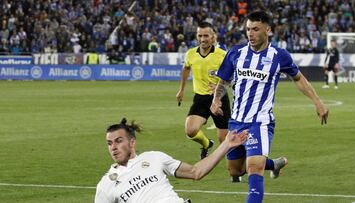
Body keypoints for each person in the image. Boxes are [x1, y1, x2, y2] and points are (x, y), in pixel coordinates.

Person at [210, 11, 328, 203]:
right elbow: (223, 80)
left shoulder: (279, 56)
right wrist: (216, 100)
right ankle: (274, 164)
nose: (250, 33)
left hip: (261, 122)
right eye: (248, 29)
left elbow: (299, 79)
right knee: (235, 169)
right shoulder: (236, 53)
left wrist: (318, 101)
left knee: (254, 167)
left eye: (255, 29)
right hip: (236, 121)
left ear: (268, 30)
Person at [95, 118, 248, 203]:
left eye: (118, 141)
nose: (113, 147)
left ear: (132, 142)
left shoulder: (154, 157)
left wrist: (226, 144)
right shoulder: (105, 185)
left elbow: (196, 172)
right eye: (109, 143)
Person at [175, 22, 231, 160]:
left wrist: (220, 87)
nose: (203, 39)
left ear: (213, 37)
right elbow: (186, 69)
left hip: (219, 99)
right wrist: (181, 90)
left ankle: (235, 171)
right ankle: (206, 144)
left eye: (206, 35)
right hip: (200, 98)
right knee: (190, 130)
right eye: (200, 35)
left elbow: (231, 77)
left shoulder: (222, 55)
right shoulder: (190, 54)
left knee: (224, 140)